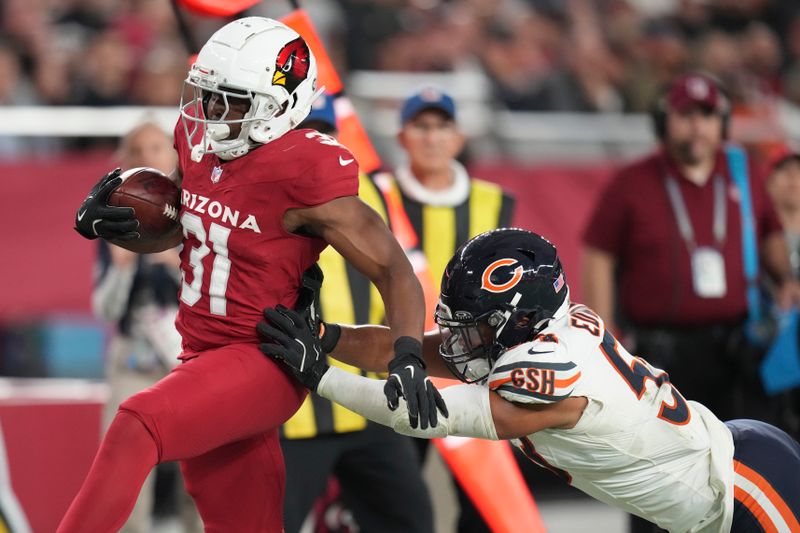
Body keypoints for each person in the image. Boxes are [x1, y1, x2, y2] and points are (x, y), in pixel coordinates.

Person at [62, 17, 444, 532]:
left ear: (276, 108)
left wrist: (406, 356)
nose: (211, 113)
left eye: (231, 101)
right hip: (199, 354)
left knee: (137, 424)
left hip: (263, 357)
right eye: (208, 96)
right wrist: (119, 227)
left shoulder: (305, 168)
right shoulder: (201, 142)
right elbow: (186, 226)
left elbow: (393, 269)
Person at [260, 228, 800, 533]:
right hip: (712, 493)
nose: (460, 341)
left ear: (520, 319)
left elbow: (422, 412)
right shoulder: (540, 337)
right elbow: (413, 353)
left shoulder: (548, 371)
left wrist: (321, 377)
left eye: (475, 328)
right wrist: (326, 335)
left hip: (739, 489)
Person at [280, 93, 434, 533]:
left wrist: (406, 354)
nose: (315, 141)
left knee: (411, 521)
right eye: (303, 130)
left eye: (324, 131)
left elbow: (397, 275)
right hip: (290, 408)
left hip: (368, 400)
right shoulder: (260, 190)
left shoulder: (369, 188)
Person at [377, 86, 515, 532]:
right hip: (399, 366)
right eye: (422, 126)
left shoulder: (495, 202)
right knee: (396, 502)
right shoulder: (375, 196)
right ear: (403, 136)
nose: (432, 137)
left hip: (476, 374)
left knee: (482, 509)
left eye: (442, 127)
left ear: (458, 138)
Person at [92, 120, 202, 533]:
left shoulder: (195, 217)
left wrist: (176, 263)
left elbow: (213, 294)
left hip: (188, 357)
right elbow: (104, 311)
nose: (148, 158)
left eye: (158, 148)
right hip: (134, 361)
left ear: (174, 157)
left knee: (202, 474)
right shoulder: (116, 224)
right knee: (124, 473)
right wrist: (120, 270)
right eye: (138, 150)